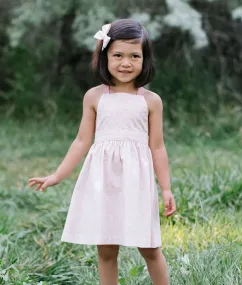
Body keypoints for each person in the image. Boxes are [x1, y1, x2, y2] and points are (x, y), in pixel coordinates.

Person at [28, 18, 176, 285]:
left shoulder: (151, 101)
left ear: (146, 60)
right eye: (117, 55)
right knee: (106, 249)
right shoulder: (95, 97)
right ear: (104, 56)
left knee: (150, 247)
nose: (126, 63)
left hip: (137, 183)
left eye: (134, 56)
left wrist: (166, 189)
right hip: (103, 182)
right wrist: (57, 176)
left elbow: (158, 147)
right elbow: (82, 141)